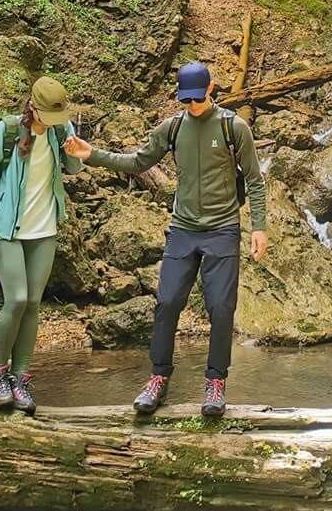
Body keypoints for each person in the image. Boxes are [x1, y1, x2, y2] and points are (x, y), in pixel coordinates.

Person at [84, 61, 267, 418]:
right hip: (183, 229)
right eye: (186, 100)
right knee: (167, 302)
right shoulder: (172, 128)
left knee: (221, 307)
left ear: (210, 89)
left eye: (197, 98)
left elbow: (255, 181)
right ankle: (158, 378)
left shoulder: (233, 127)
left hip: (222, 229)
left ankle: (215, 382)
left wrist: (259, 227)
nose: (192, 105)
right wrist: (92, 155)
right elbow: (138, 162)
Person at [0, 75, 92, 415]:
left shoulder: (60, 129)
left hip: (44, 228)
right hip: (5, 227)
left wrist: (74, 153)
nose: (54, 122)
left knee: (34, 304)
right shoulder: (8, 130)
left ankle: (20, 378)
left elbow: (72, 169)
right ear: (33, 107)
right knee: (17, 299)